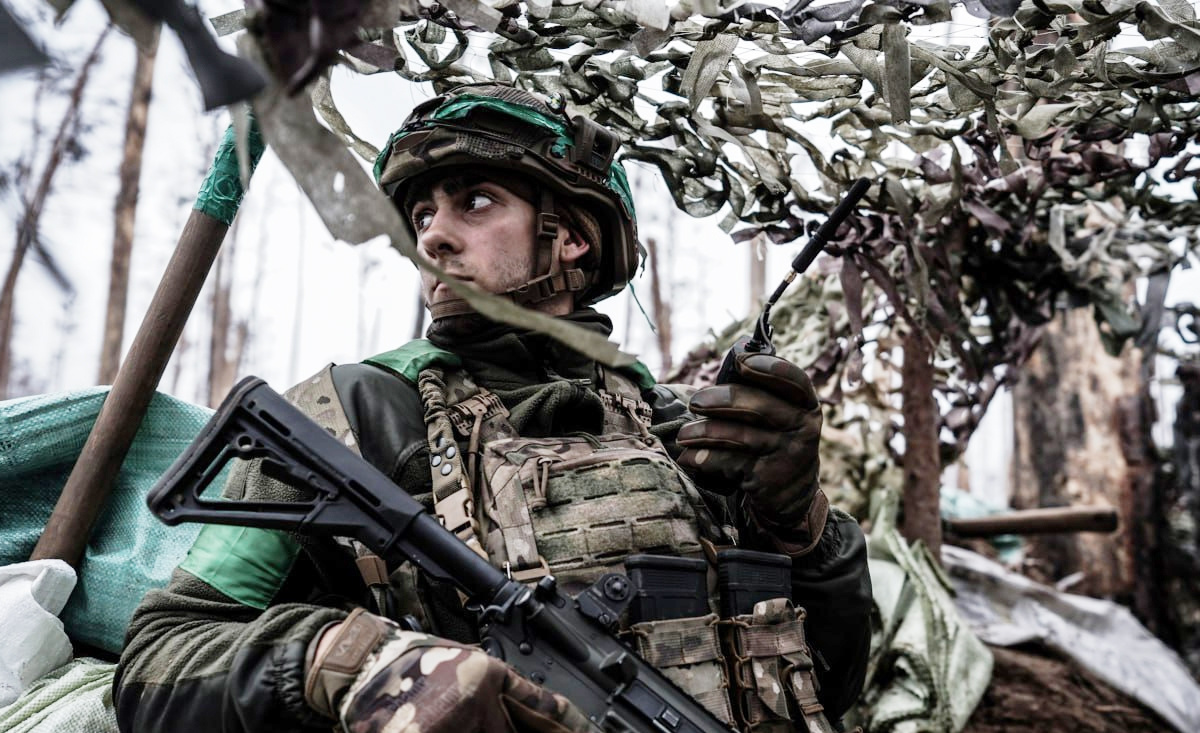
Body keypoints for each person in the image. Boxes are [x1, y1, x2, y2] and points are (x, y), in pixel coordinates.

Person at [114, 83, 872, 733]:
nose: (433, 239)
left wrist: (798, 522)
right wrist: (345, 662)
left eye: (473, 203)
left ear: (571, 237)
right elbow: (157, 665)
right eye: (421, 217)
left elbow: (830, 687)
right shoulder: (353, 415)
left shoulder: (688, 434)